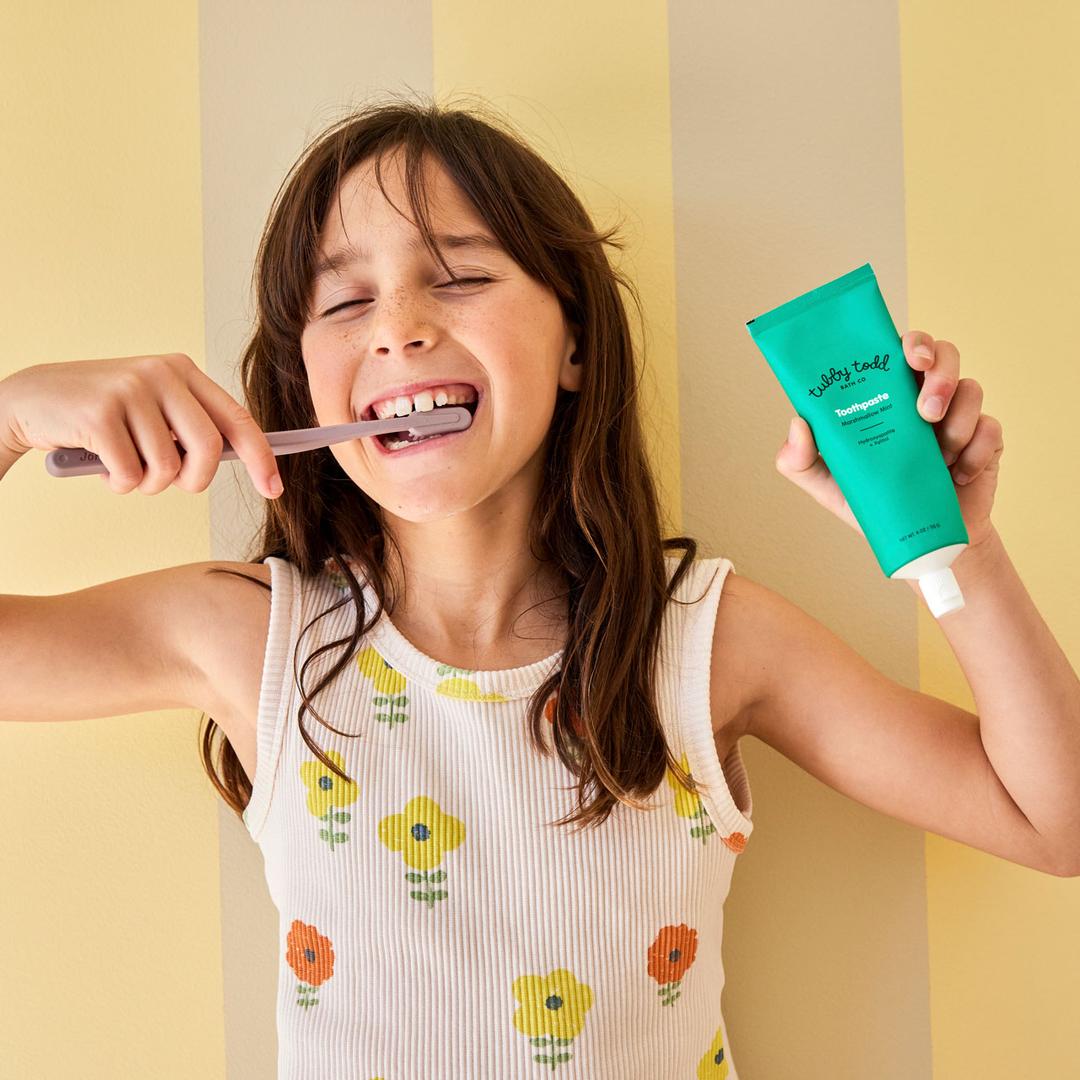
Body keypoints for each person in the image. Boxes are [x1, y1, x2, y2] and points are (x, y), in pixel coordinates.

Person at [2, 98, 1077, 1080]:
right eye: (344, 300)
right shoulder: (249, 636)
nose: (398, 326)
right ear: (302, 379)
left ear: (572, 342)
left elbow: (1054, 822)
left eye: (461, 275)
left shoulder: (706, 641)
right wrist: (11, 412)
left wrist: (955, 549)